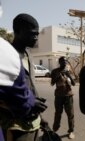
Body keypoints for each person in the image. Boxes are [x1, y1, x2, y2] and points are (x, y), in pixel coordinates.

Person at [2, 13, 47, 141]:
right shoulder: (5, 57)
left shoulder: (28, 55)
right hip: (14, 126)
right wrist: (30, 103)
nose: (36, 37)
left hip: (33, 122)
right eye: (33, 33)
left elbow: (30, 87)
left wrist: (40, 116)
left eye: (37, 33)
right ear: (18, 31)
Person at [50, 56, 76, 139]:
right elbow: (52, 83)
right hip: (58, 96)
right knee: (58, 113)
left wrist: (68, 74)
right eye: (63, 61)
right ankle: (54, 130)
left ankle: (71, 131)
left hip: (68, 95)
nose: (65, 63)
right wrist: (58, 75)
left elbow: (74, 83)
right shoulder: (55, 71)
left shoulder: (68, 71)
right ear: (60, 62)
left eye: (66, 61)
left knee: (70, 115)